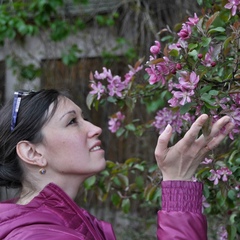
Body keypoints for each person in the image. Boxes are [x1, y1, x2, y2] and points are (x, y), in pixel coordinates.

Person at [0, 89, 234, 240]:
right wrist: (179, 184)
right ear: (32, 152)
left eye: (83, 118)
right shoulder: (39, 236)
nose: (95, 128)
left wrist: (177, 180)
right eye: (72, 122)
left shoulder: (65, 223)